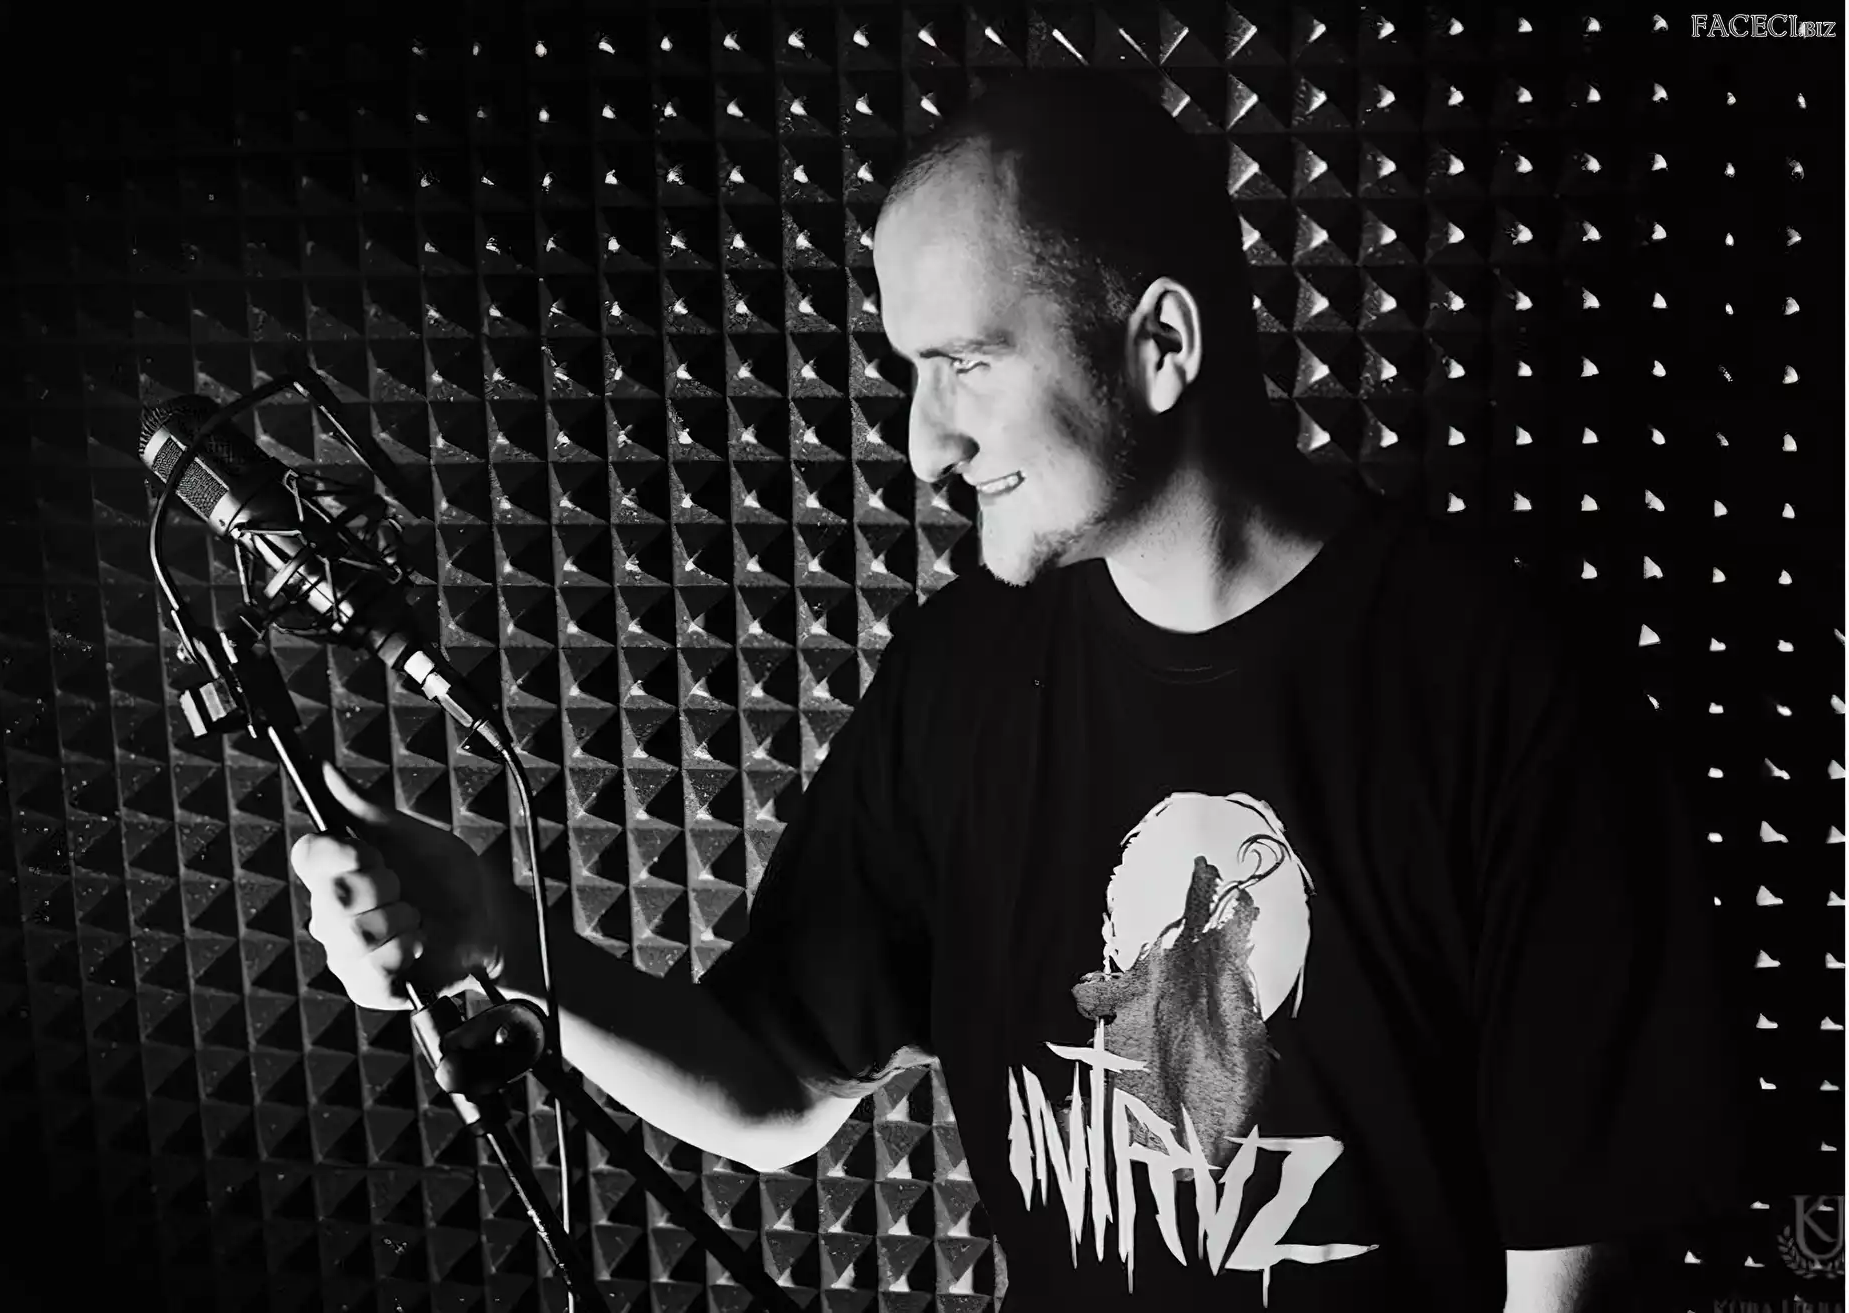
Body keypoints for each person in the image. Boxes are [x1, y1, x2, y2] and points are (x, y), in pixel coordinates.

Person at [291, 73, 1750, 1311]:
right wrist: (504, 942)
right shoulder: (963, 677)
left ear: (1160, 346)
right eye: (910, 375)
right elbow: (778, 1087)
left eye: (965, 366)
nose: (925, 445)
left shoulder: (1502, 686)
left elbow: (1575, 1268)